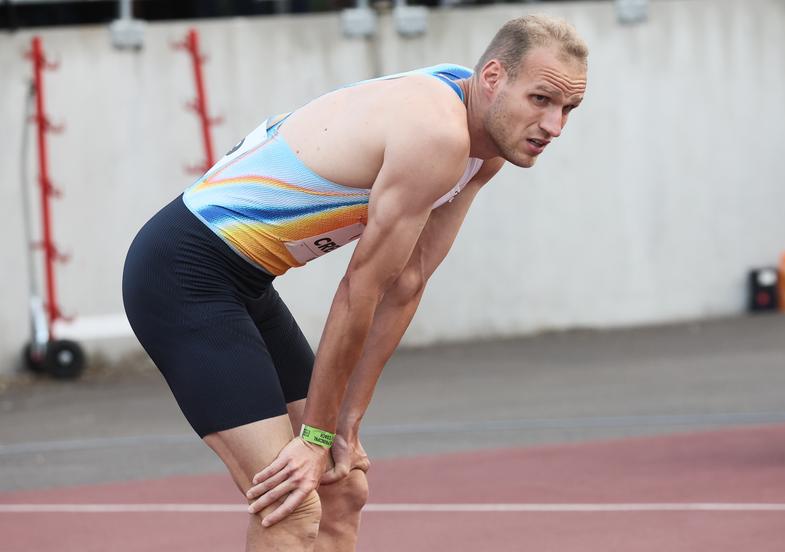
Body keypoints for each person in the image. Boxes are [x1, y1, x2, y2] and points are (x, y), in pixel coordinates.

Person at [122, 14, 588, 552]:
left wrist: (345, 424)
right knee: (293, 502)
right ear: (492, 78)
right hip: (183, 274)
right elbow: (359, 290)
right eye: (541, 100)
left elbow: (407, 283)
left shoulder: (485, 147)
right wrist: (316, 436)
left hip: (244, 281)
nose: (554, 126)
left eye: (568, 109)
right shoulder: (435, 133)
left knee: (343, 489)